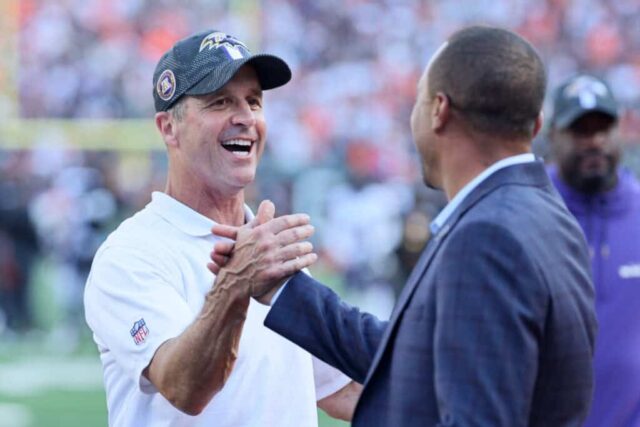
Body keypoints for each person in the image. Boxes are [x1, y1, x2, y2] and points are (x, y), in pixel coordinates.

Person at [210, 25, 597, 426]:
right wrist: (283, 286)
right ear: (535, 126)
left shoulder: (487, 236)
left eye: (417, 100)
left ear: (438, 111)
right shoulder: (547, 214)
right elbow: (417, 358)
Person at [83, 30, 360, 427]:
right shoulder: (129, 254)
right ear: (168, 127)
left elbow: (344, 390)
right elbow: (185, 388)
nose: (245, 117)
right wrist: (234, 285)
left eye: (254, 101)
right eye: (220, 102)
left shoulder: (266, 247)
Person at [547, 74, 640, 427]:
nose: (595, 141)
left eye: (604, 128)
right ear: (553, 134)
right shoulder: (529, 210)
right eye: (580, 130)